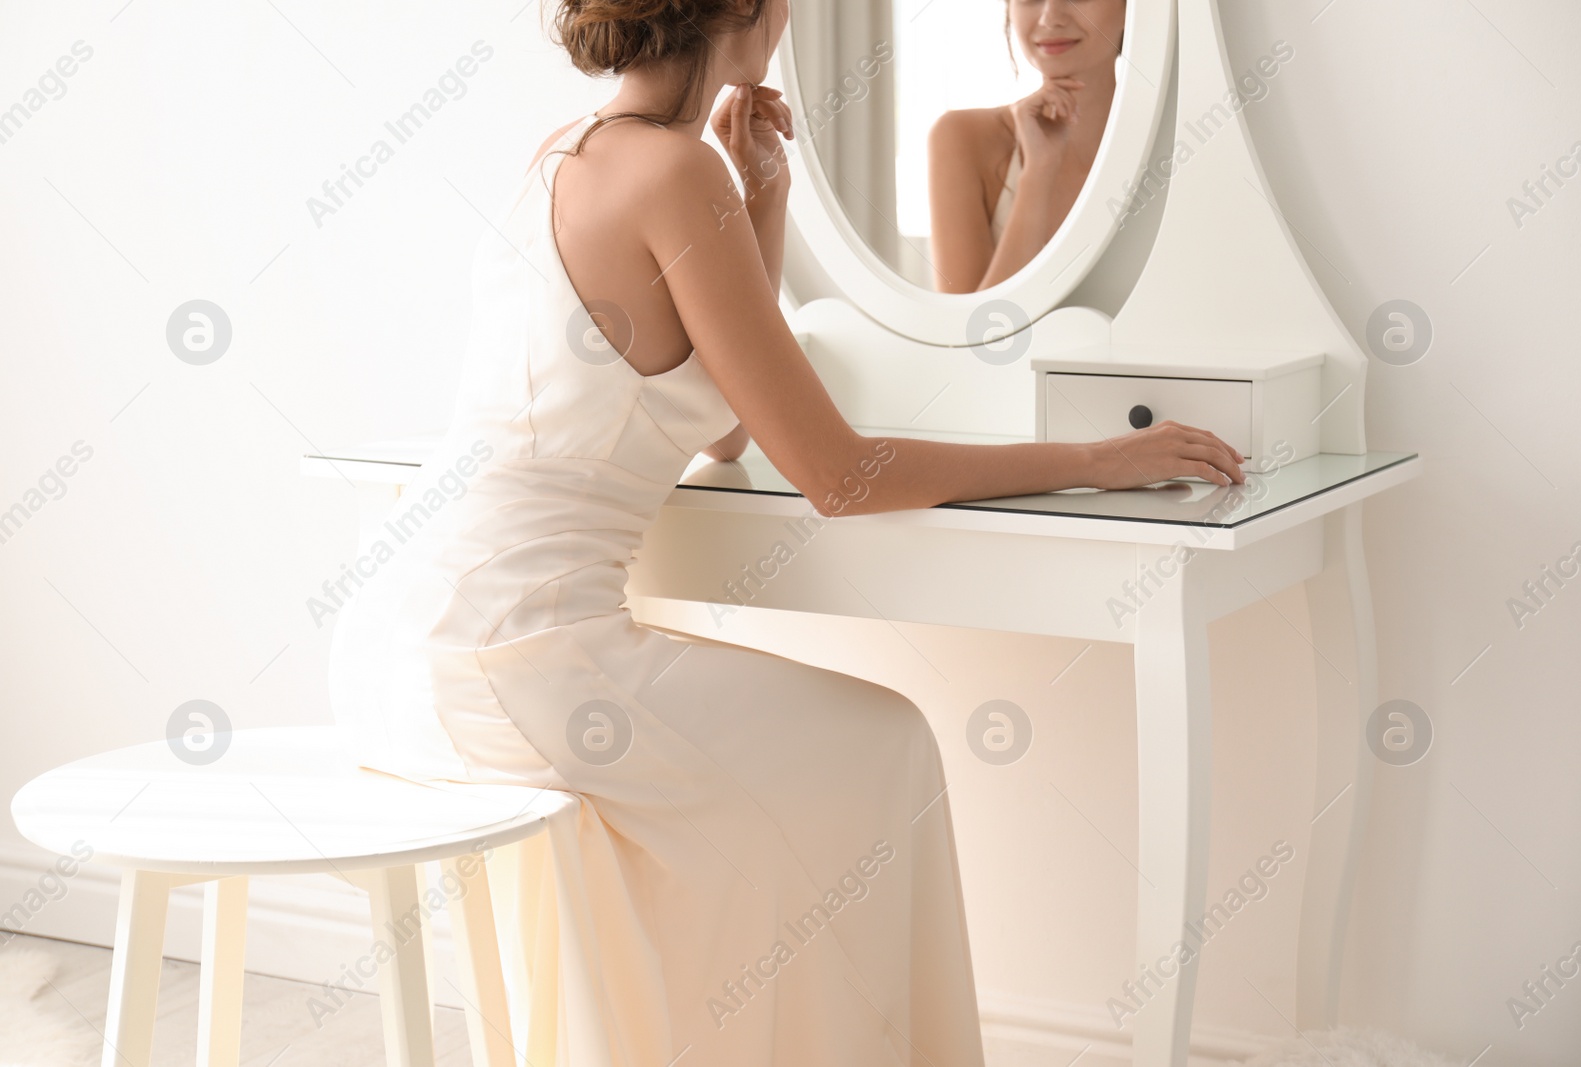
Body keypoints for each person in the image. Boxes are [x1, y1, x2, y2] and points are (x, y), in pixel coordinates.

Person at [327, 0, 1241, 1063]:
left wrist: (760, 199)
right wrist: (1093, 461)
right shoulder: (675, 175)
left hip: (398, 641)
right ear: (752, 11)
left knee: (792, 793)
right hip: (518, 659)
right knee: (886, 744)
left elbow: (716, 427)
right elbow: (839, 474)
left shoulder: (566, 156)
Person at [928, 0, 1126, 293]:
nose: (1050, 18)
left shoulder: (1179, 142)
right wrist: (1037, 175)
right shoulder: (961, 138)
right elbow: (972, 333)